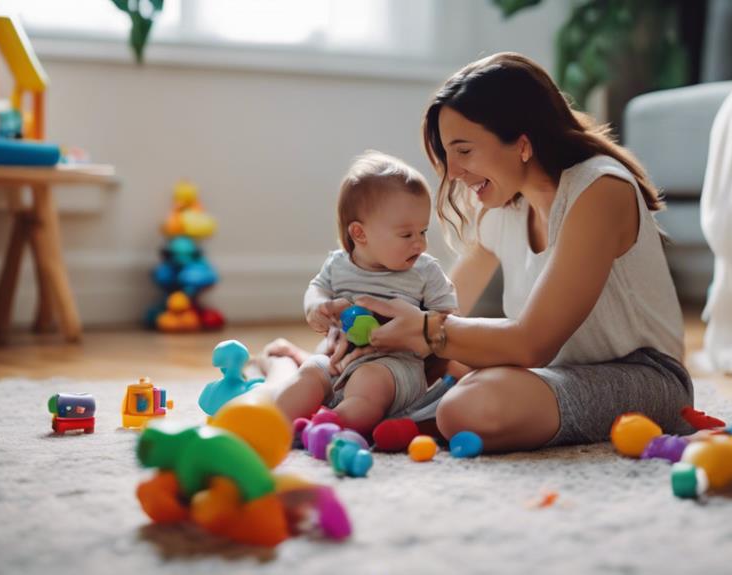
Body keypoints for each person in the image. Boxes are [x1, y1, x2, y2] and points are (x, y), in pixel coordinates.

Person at [263, 52, 693, 452]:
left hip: (642, 376)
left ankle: (361, 409)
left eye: (464, 151)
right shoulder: (505, 204)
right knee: (394, 377)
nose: (452, 173)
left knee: (470, 405)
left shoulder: (599, 190)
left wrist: (427, 332)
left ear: (522, 143)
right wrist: (376, 344)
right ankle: (305, 378)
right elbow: (450, 304)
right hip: (553, 372)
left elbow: (531, 344)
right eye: (448, 156)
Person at [260, 150, 457, 436]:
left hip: (393, 366)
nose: (421, 244)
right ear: (360, 234)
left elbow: (449, 318)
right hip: (337, 360)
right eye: (407, 235)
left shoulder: (425, 272)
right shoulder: (338, 264)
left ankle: (328, 427)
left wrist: (424, 332)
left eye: (423, 231)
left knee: (369, 384)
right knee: (309, 375)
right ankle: (270, 425)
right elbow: (316, 289)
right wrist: (316, 307)